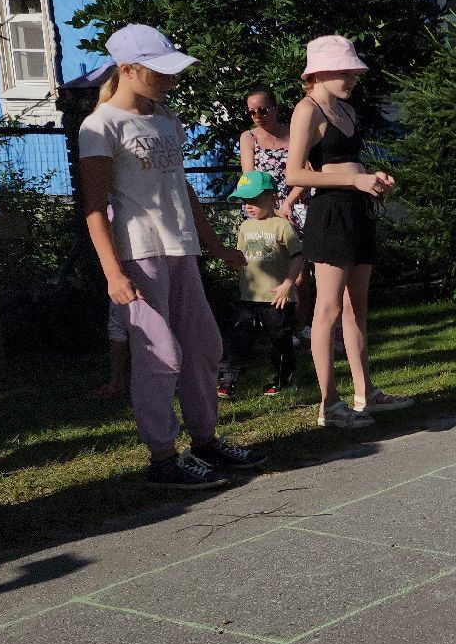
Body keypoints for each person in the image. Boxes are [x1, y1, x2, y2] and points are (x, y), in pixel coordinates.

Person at [78, 24, 266, 489]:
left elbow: (182, 189)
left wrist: (217, 245)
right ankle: (163, 457)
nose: (170, 80)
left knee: (204, 346)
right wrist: (111, 273)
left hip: (180, 249)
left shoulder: (167, 120)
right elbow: (93, 207)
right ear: (126, 69)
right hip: (138, 256)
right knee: (160, 353)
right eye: (159, 72)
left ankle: (205, 442)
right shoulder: (100, 125)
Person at [282, 35, 410, 428]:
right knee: (328, 309)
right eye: (344, 69)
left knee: (357, 308)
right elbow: (295, 173)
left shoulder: (347, 110)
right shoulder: (307, 109)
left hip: (358, 211)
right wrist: (354, 182)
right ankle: (329, 405)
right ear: (318, 72)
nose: (352, 76)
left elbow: (349, 165)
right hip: (330, 214)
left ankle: (364, 392)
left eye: (354, 70)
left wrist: (374, 179)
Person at [217, 170, 303, 399]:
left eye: (254, 200)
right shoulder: (245, 228)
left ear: (272, 197)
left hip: (277, 298)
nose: (249, 206)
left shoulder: (282, 226)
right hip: (249, 297)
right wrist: (235, 272)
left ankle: (282, 378)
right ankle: (228, 381)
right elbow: (241, 258)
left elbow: (298, 256)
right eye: (245, 201)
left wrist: (287, 284)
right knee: (240, 338)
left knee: (279, 340)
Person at [242, 85, 313, 337]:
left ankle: (300, 326)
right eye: (252, 112)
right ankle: (276, 328)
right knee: (269, 271)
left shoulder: (294, 135)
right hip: (264, 211)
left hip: (295, 205)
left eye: (263, 109)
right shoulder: (248, 138)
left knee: (300, 273)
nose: (258, 116)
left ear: (275, 108)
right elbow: (249, 179)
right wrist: (270, 210)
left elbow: (307, 172)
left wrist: (288, 204)